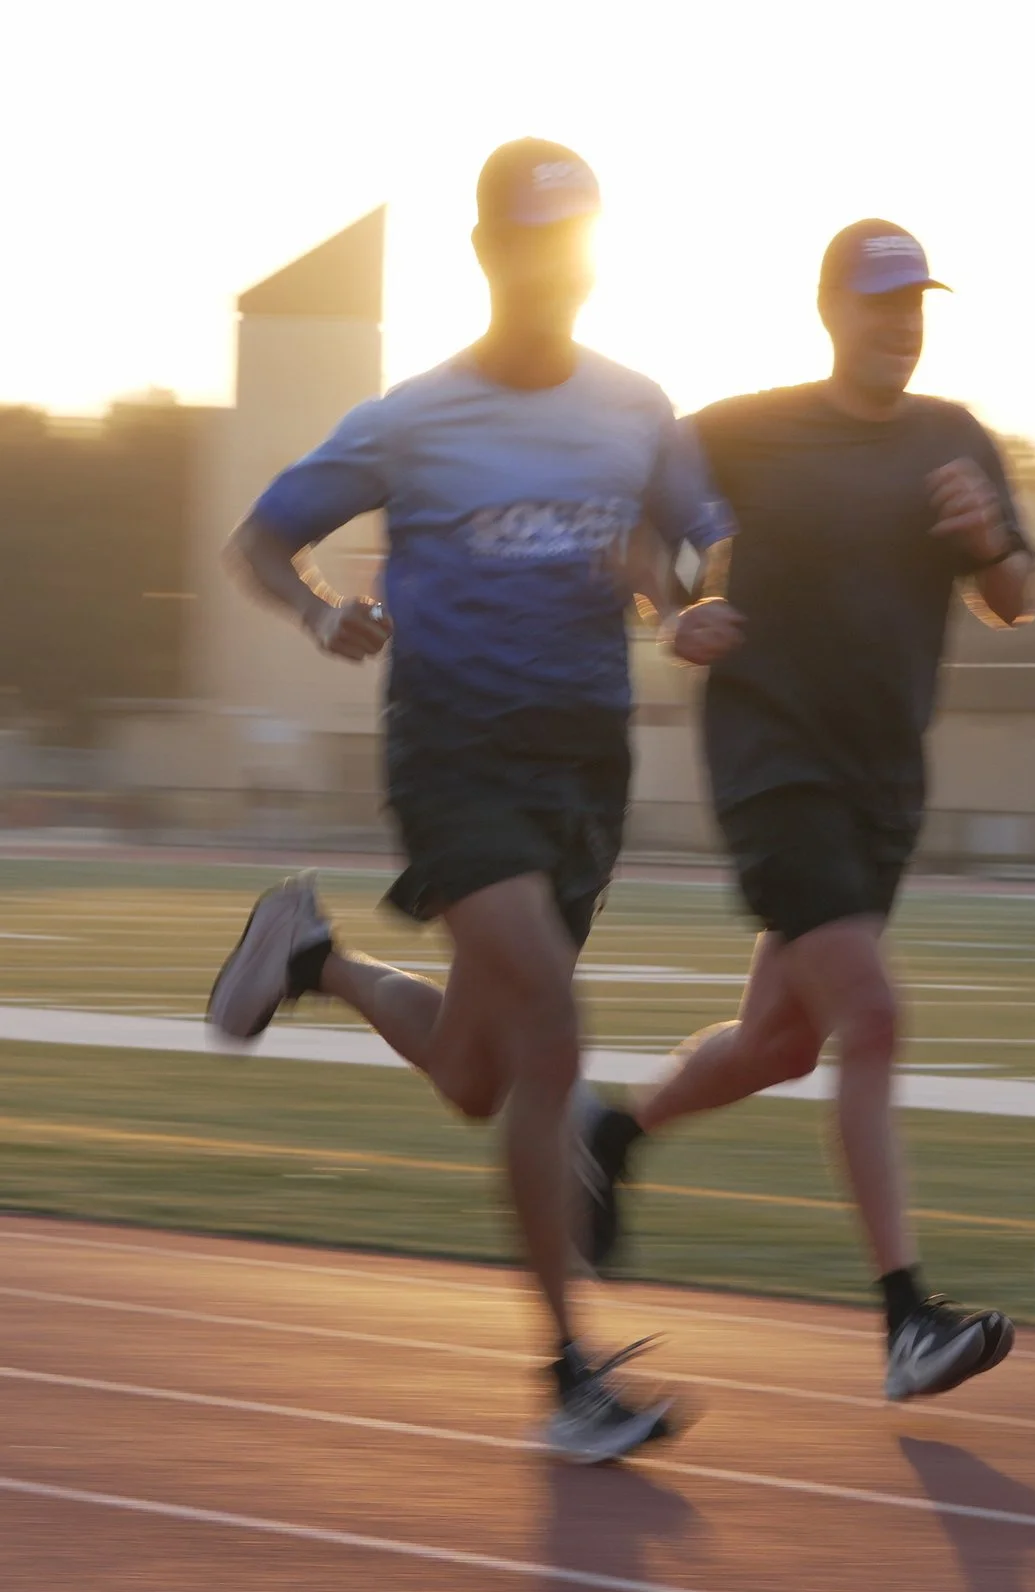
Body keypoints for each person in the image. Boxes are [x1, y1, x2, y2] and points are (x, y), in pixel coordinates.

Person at [208, 138, 732, 1463]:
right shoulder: (413, 417)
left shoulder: (637, 404)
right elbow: (260, 539)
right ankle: (567, 1372)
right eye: (532, 242)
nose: (554, 267)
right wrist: (322, 611)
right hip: (456, 753)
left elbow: (700, 536)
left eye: (576, 241)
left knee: (477, 1070)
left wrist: (687, 600)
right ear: (493, 253)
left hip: (585, 768)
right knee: (553, 1031)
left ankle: (312, 954)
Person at [575, 220, 1035, 1403]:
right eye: (878, 302)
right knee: (872, 1019)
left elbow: (1015, 594)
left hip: (884, 780)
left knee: (784, 1042)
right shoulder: (743, 430)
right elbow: (629, 524)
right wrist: (669, 615)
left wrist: (987, 545)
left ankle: (610, 1136)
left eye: (914, 302)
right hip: (773, 763)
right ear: (832, 311)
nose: (899, 321)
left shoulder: (954, 436)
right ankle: (904, 1318)